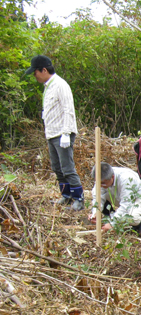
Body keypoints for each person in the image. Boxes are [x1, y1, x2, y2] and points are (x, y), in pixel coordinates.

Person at [26, 55, 84, 211]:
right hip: (52, 133)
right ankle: (66, 196)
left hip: (61, 133)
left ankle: (79, 199)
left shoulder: (60, 85)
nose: (35, 76)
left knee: (67, 168)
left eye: (35, 72)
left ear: (44, 70)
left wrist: (66, 133)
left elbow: (68, 110)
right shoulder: (48, 86)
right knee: (57, 168)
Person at [88, 162, 141, 236]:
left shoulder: (126, 178)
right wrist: (95, 213)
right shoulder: (102, 178)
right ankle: (109, 217)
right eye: (98, 183)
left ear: (112, 177)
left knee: (132, 217)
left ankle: (139, 224)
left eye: (103, 183)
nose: (100, 185)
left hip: (138, 199)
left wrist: (113, 223)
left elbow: (126, 205)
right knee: (101, 196)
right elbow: (97, 198)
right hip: (119, 198)